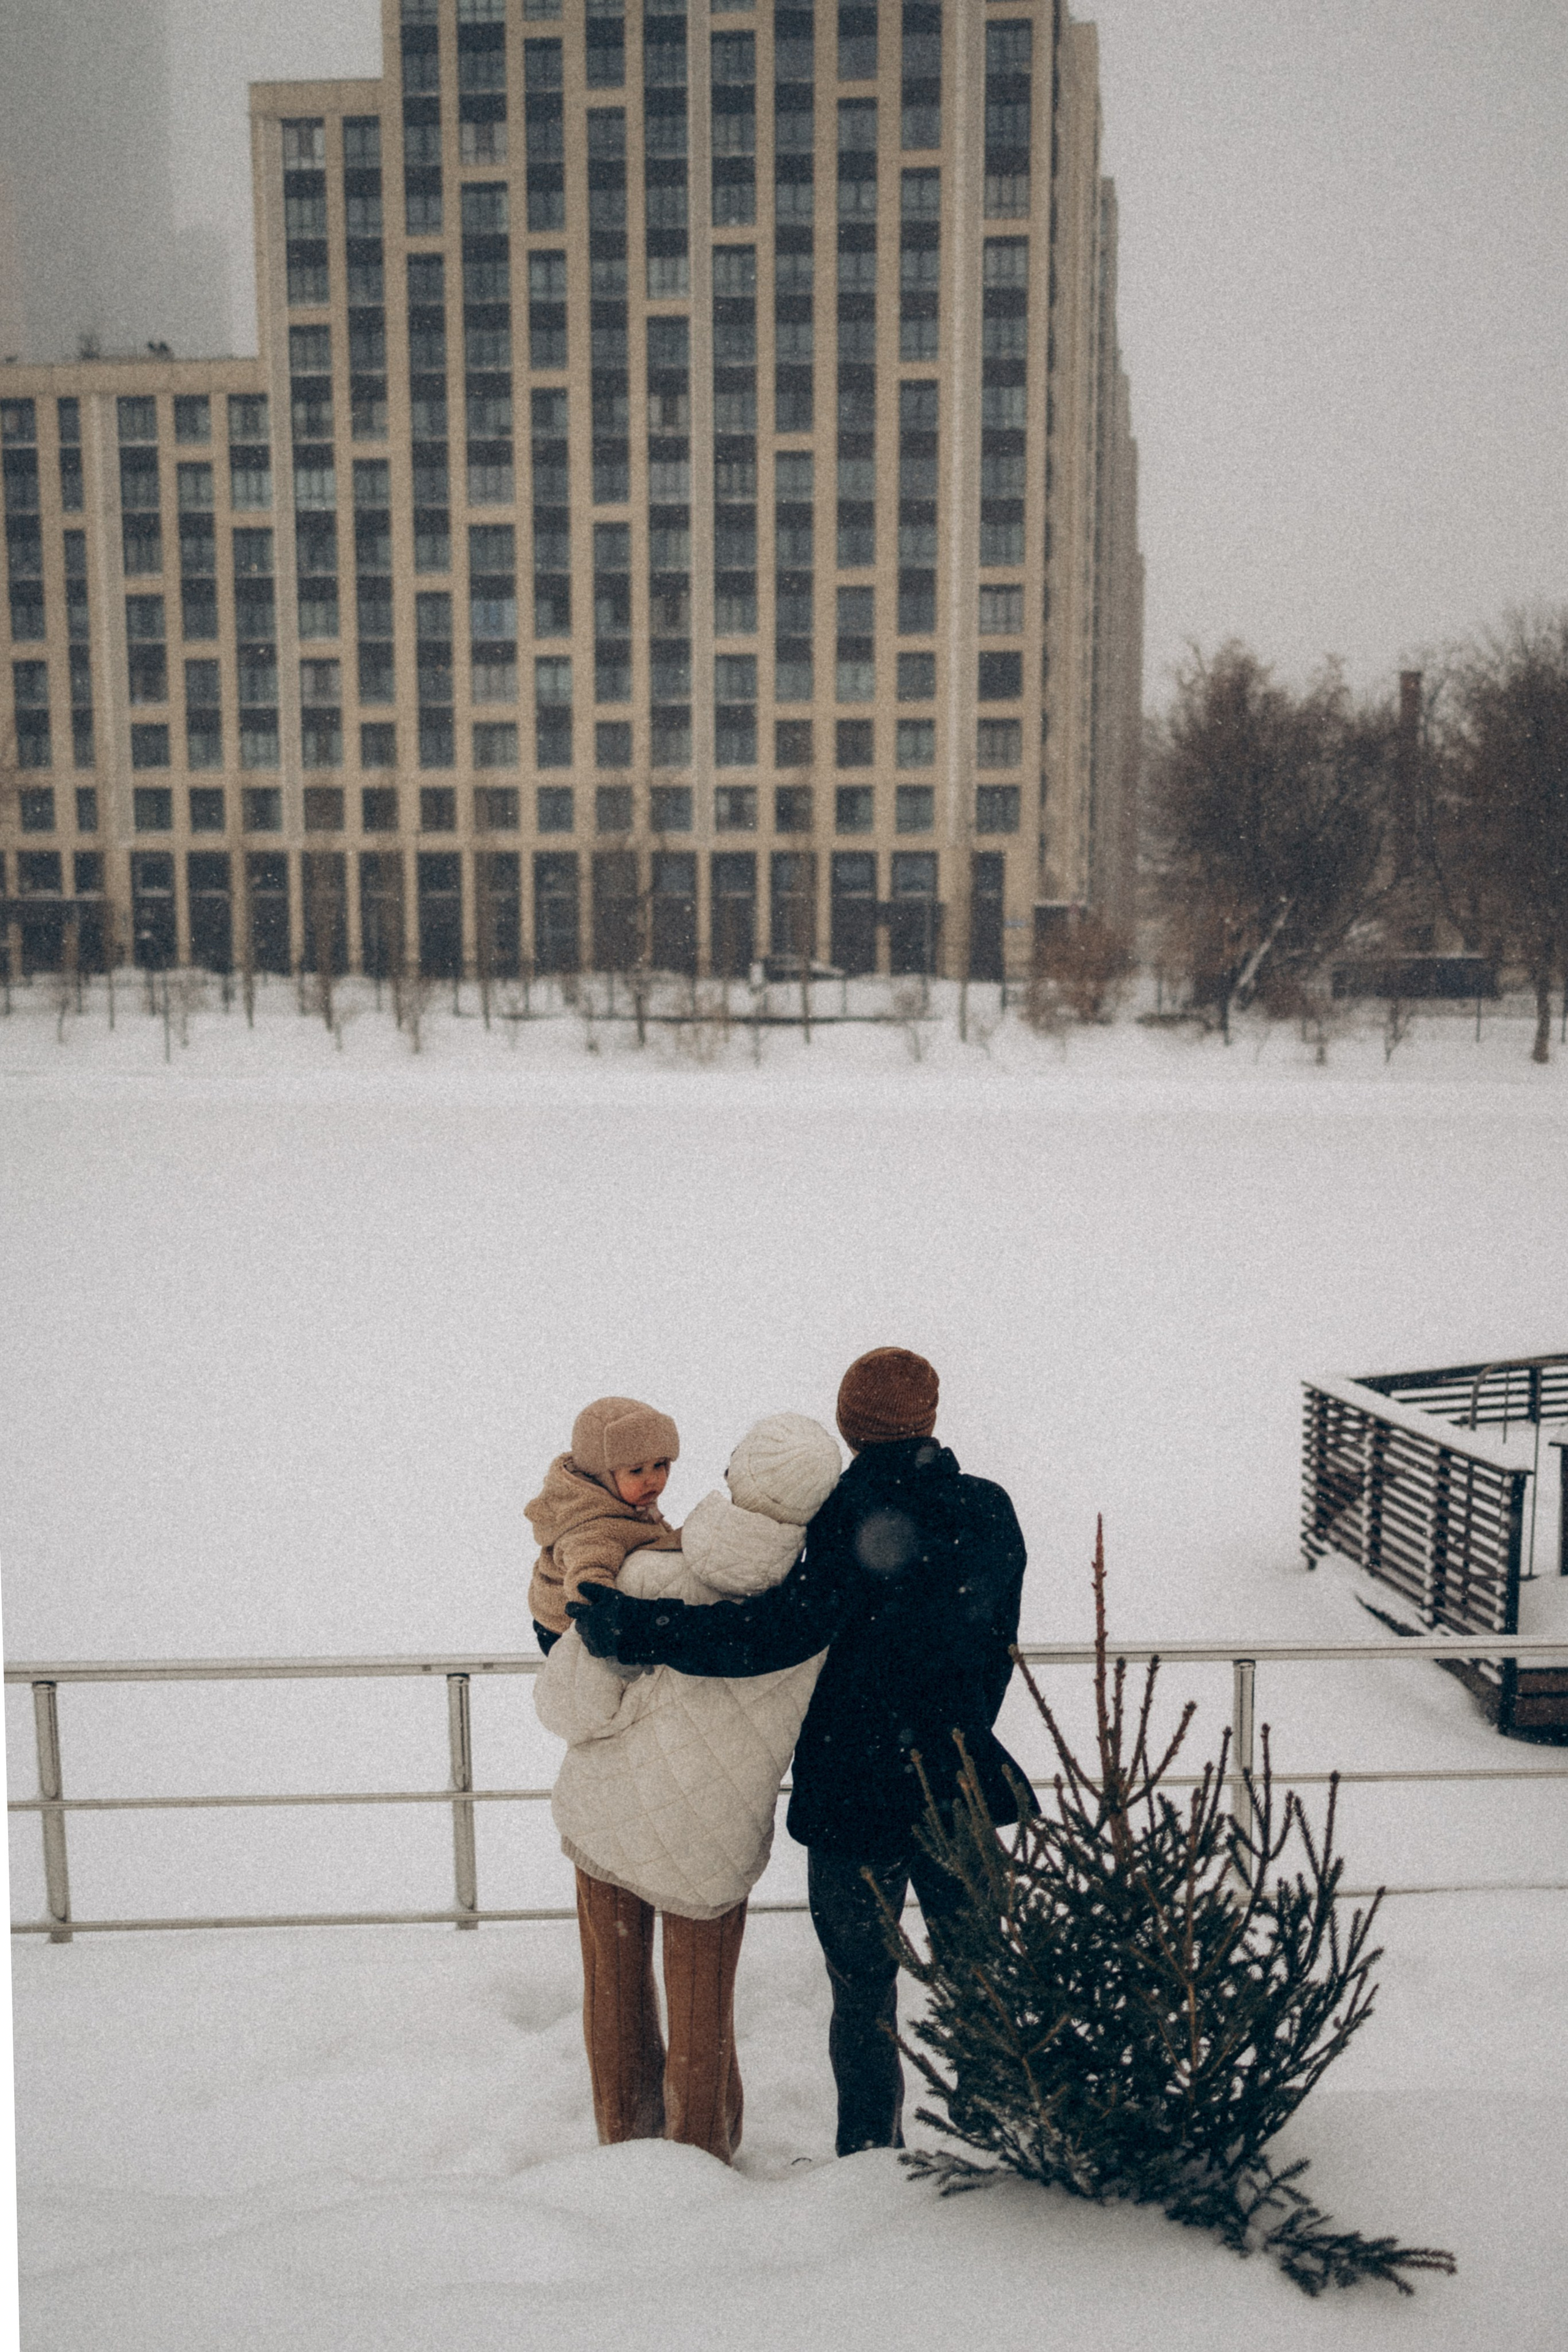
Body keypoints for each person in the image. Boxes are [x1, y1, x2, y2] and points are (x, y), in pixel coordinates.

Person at [569, 1346, 1030, 2157]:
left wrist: (636, 1627)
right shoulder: (989, 1510)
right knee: (981, 1978)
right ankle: (992, 2144)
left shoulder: (842, 1514)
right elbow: (994, 1643)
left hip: (855, 1792)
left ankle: (869, 2153)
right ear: (928, 1419)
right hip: (959, 1780)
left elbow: (774, 1634)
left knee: (862, 1993)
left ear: (851, 1424)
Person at [535, 1412, 842, 2163]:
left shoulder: (640, 1577)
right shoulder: (809, 1612)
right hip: (714, 1837)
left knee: (614, 1991)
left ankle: (625, 2148)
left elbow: (565, 1707)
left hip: (610, 1817)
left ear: (733, 1477)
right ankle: (702, 2161)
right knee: (704, 2012)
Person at [526, 1394, 683, 1654]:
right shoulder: (594, 1525)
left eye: (660, 1465)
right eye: (636, 1471)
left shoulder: (624, 1505)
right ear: (602, 1475)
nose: (653, 1479)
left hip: (577, 1626)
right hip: (568, 1630)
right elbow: (587, 1580)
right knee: (595, 1690)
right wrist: (612, 1621)